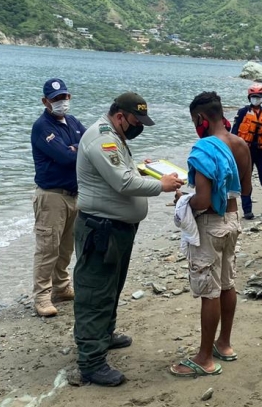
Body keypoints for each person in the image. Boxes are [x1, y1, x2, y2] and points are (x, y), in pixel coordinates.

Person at [73, 92, 183, 386]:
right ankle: (91, 361)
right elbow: (121, 181)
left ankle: (103, 336)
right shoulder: (102, 138)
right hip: (101, 229)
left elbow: (121, 172)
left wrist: (145, 169)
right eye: (136, 121)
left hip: (115, 228)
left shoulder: (115, 137)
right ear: (120, 116)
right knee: (95, 293)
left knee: (111, 287)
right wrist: (160, 184)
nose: (139, 128)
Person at [169, 92, 252, 378]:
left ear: (201, 118)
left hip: (210, 224)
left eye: (195, 121)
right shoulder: (240, 144)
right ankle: (224, 344)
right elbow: (247, 190)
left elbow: (202, 201)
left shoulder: (203, 148)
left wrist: (183, 200)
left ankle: (204, 358)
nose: (196, 126)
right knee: (227, 284)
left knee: (209, 290)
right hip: (232, 219)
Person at [30, 78, 85, 317]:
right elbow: (66, 157)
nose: (62, 102)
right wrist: (74, 149)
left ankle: (61, 287)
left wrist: (74, 148)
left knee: (66, 247)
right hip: (51, 196)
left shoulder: (72, 122)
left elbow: (90, 146)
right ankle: (42, 295)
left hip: (74, 195)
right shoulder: (42, 126)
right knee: (47, 247)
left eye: (64, 97)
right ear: (45, 101)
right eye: (56, 99)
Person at [231, 83, 262, 219]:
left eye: (258, 96)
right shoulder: (242, 112)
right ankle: (247, 210)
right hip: (246, 151)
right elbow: (233, 133)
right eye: (253, 96)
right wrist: (232, 153)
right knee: (245, 180)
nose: (256, 99)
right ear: (249, 98)